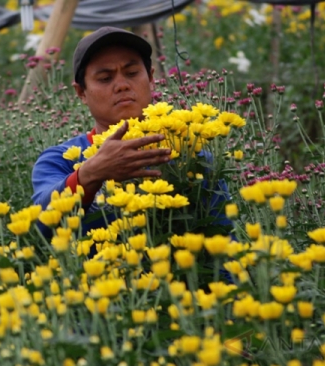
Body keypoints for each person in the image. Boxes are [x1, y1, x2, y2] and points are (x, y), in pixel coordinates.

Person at [31, 26, 231, 237]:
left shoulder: (191, 157)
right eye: (105, 78)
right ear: (81, 92)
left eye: (132, 73)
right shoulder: (59, 160)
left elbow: (225, 242)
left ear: (151, 78)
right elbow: (41, 225)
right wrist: (91, 174)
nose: (122, 85)